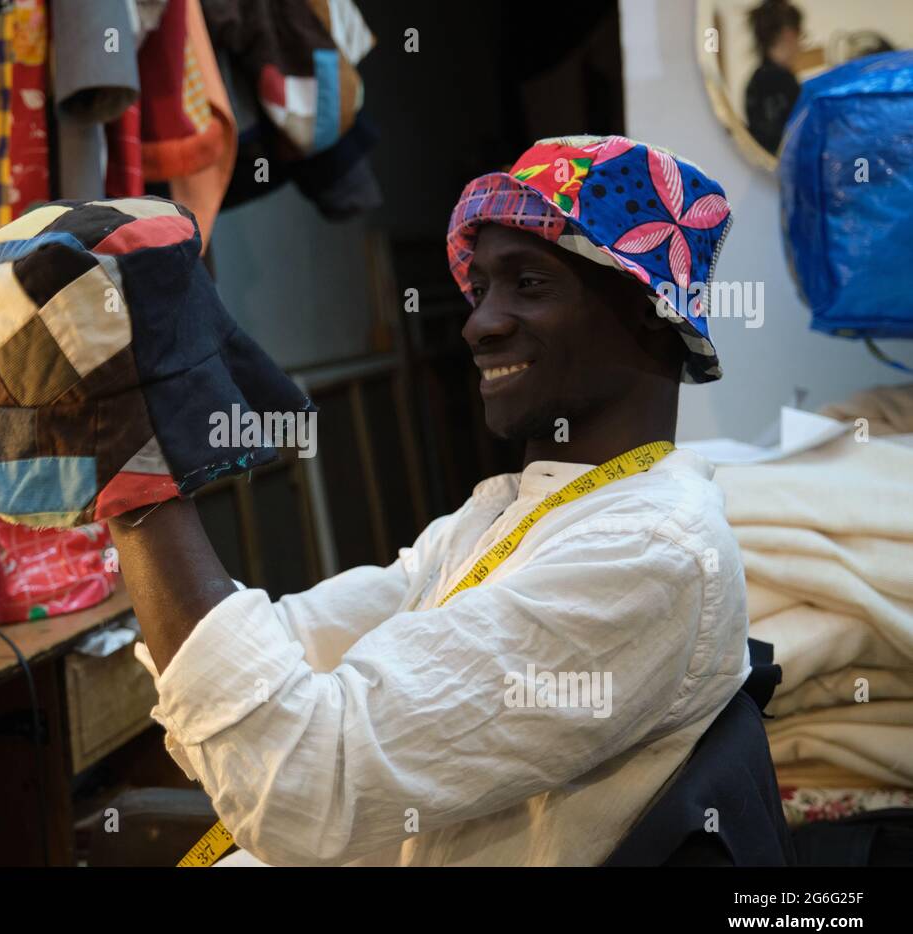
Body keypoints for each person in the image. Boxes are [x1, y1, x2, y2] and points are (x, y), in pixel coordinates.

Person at [111, 134, 748, 867]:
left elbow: (307, 782)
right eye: (480, 289)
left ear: (647, 312)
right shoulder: (511, 515)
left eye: (529, 284)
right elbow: (297, 645)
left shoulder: (647, 554)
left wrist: (136, 483)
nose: (479, 323)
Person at [744, 0, 803, 154]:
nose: (800, 46)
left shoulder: (755, 82)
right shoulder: (781, 81)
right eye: (800, 37)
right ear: (788, 34)